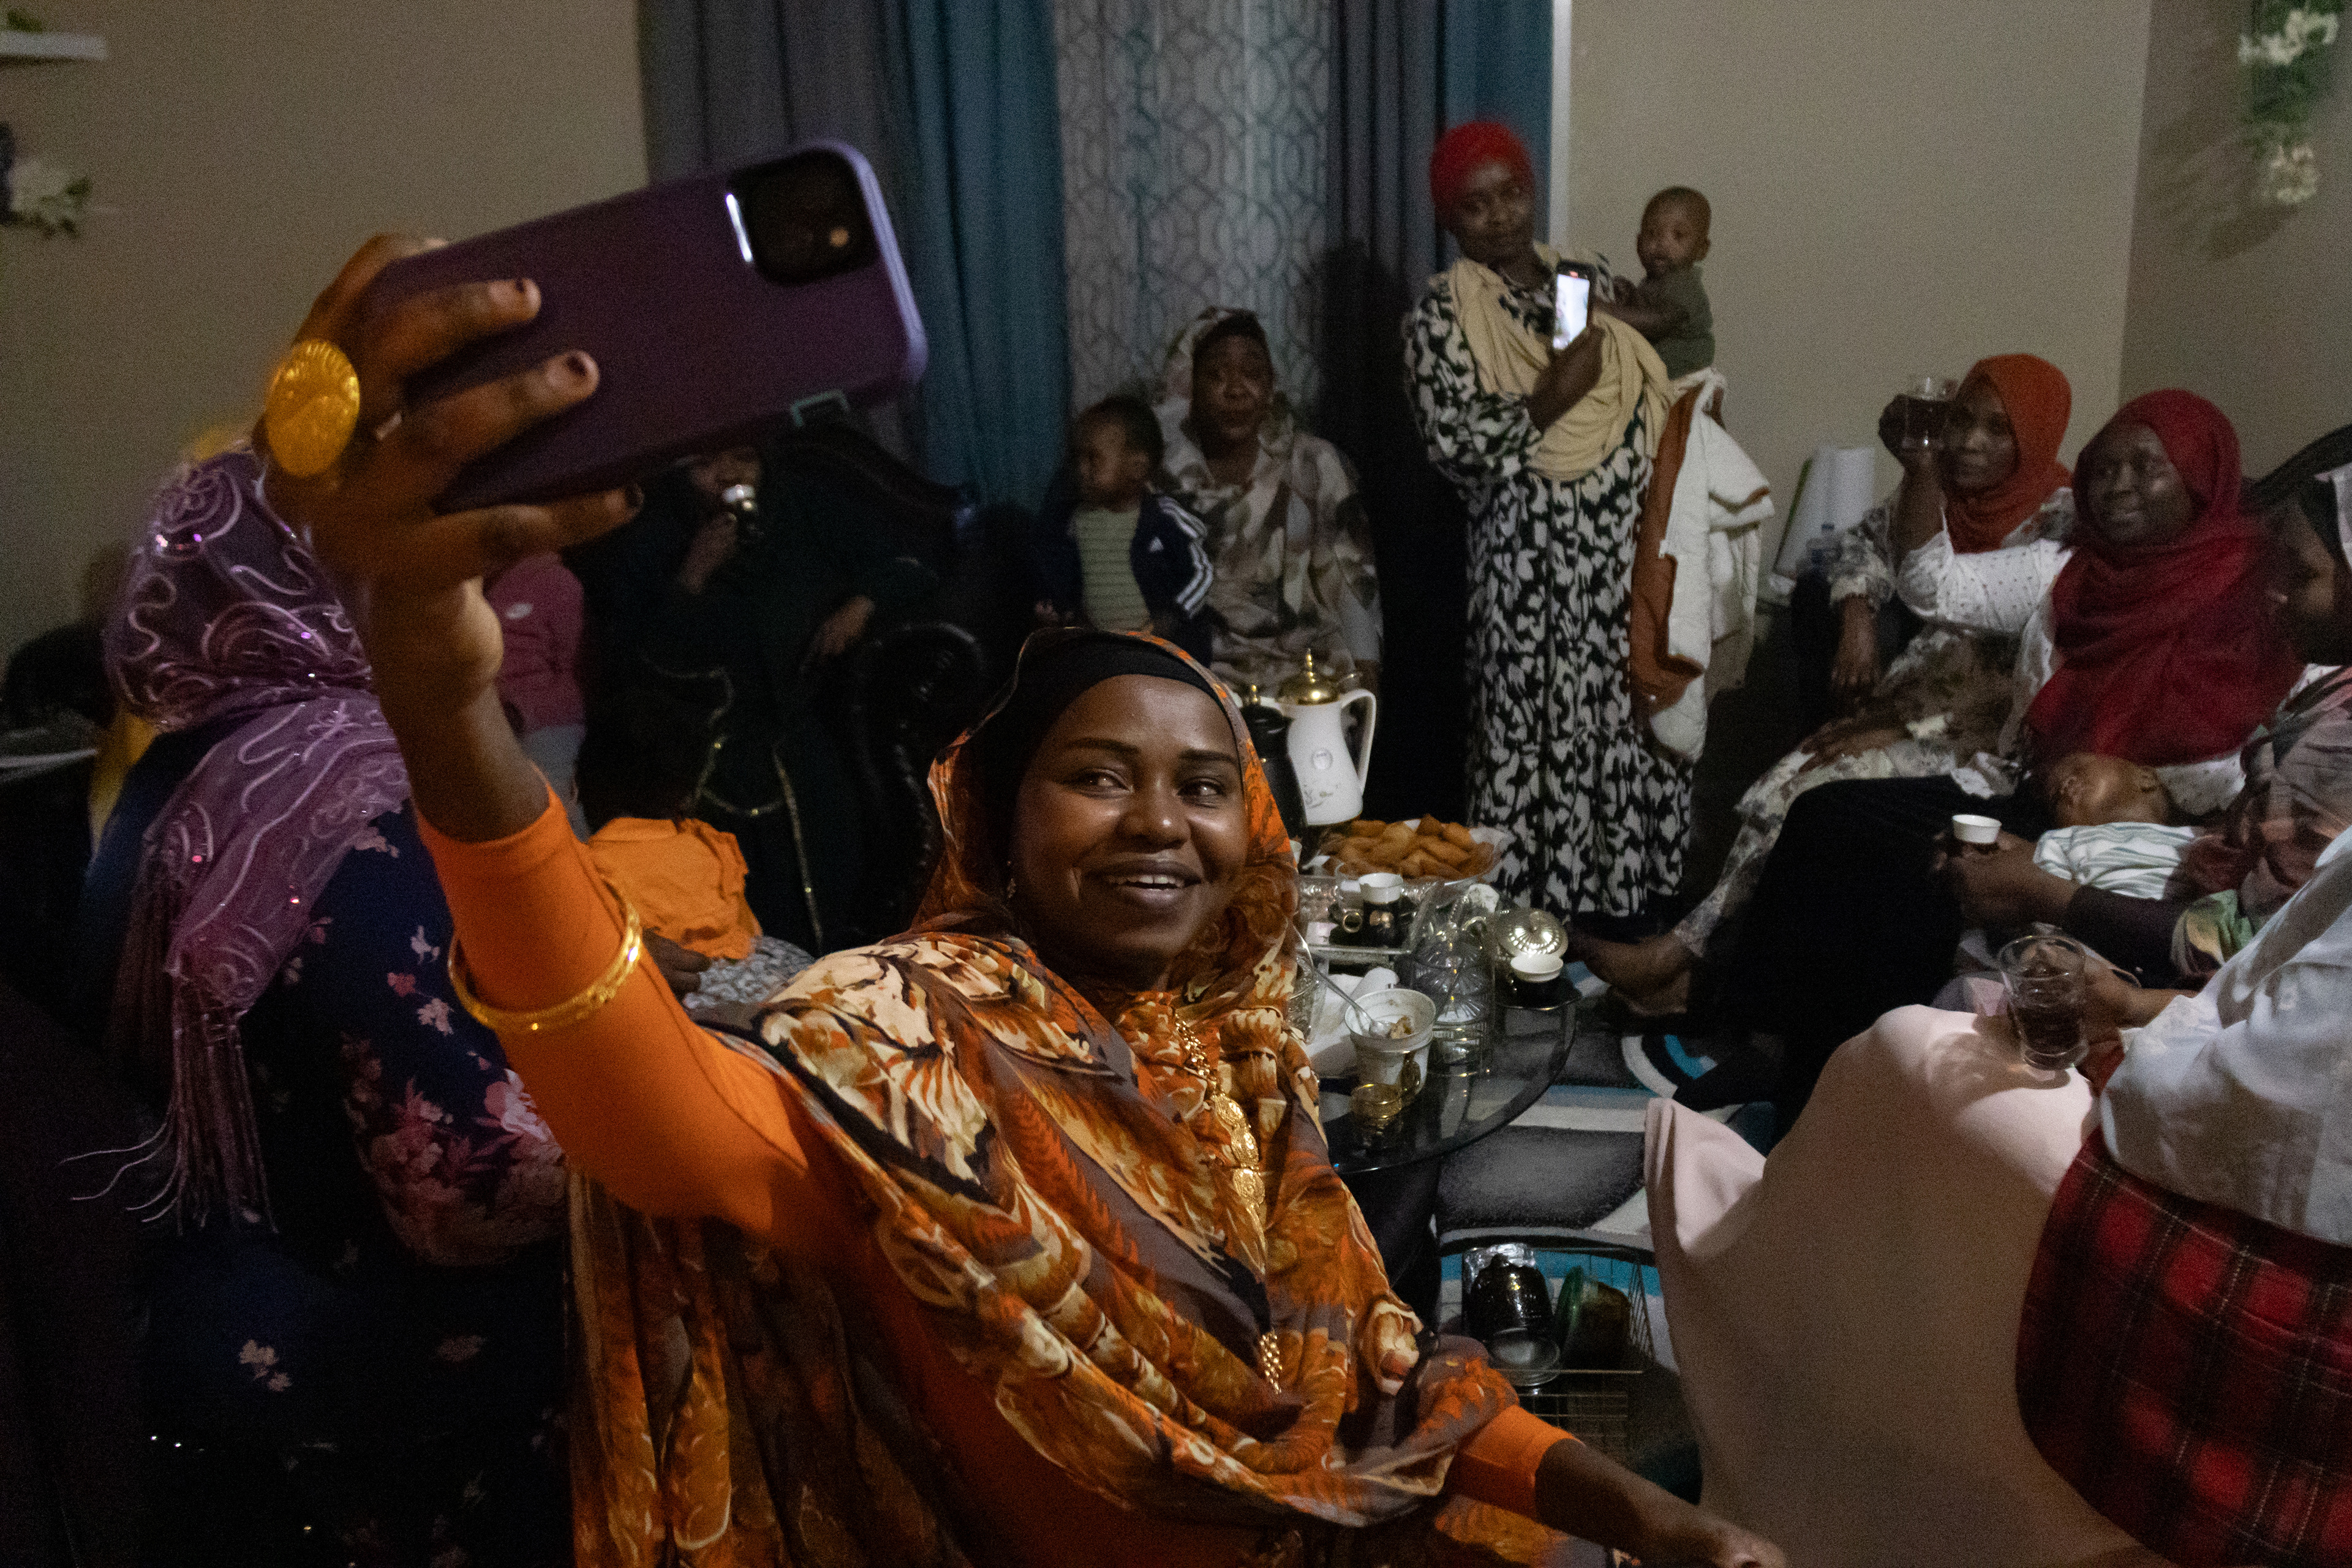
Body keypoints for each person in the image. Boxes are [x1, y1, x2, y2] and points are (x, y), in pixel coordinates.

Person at [257, 235, 1785, 1568]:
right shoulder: (903, 1046)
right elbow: (641, 1113)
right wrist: (450, 709)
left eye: (1201, 785)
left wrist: (1639, 1512)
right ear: (995, 814)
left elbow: (1388, 1382)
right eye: (1096, 775)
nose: (1157, 822)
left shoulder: (1250, 1079)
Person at [1644, 453, 2352, 1568]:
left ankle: (1784, 1281)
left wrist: (2121, 985)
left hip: (2195, 999)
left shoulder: (2320, 710)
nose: (2273, 594)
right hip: (2170, 922)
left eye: (2302, 576)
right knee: (1862, 855)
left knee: (1911, 1049)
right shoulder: (2196, 628)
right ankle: (1786, 1098)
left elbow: (2258, 988)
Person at [81, 448, 569, 1566]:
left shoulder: (179, 786)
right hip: (408, 1408)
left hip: (224, 1362)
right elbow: (466, 1180)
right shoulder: (352, 790)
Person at [1707, 391, 2305, 1122]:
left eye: (2145, 468)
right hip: (2034, 791)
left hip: (2144, 831)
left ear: (2201, 481)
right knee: (1828, 813)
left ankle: (1842, 1095)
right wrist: (1923, 467)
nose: (2116, 486)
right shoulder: (2070, 571)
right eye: (2104, 467)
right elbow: (1935, 585)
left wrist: (2128, 791)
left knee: (1918, 877)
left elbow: (2252, 767)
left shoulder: (2263, 600)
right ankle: (1776, 1041)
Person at [1576, 354, 2078, 1011]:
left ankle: (1681, 965)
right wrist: (1857, 616)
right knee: (1790, 774)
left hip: (1974, 737)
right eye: (1962, 421)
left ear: (2036, 437)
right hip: (1913, 700)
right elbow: (1854, 546)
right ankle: (1694, 973)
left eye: (1998, 429)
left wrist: (1891, 724)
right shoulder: (1937, 491)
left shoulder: (2058, 521)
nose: (1971, 442)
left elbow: (2016, 667)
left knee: (1812, 790)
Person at [1405, 121, 1684, 919]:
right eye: (1474, 205)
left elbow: (1654, 362)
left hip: (1620, 553)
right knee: (1528, 744)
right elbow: (1454, 445)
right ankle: (1526, 939)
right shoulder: (1442, 315)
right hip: (1527, 574)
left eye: (1512, 194)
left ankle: (1616, 931)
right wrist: (1549, 398)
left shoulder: (1584, 277)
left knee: (1624, 735)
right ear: (1450, 221)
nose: (1499, 216)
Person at [567, 444, 937, 952]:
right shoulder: (654, 538)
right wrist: (693, 576)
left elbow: (911, 559)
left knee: (834, 843)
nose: (726, 477)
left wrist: (863, 602)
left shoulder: (804, 508)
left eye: (741, 460)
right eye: (705, 465)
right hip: (706, 755)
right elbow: (637, 664)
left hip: (802, 729)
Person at [1156, 307, 1384, 692]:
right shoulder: (1158, 476)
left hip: (1304, 674)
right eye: (1216, 375)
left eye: (1251, 374)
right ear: (1190, 388)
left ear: (1270, 387)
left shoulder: (1311, 462)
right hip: (1194, 677)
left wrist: (1366, 678)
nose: (1236, 389)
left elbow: (1349, 579)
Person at [574, 677, 814, 1011]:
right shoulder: (707, 840)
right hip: (780, 973)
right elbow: (749, 932)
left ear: (578, 785)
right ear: (686, 798)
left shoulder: (587, 865)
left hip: (700, 998)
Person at [1029, 392, 1215, 664]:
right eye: (1077, 459)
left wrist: (1174, 614)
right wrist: (1057, 610)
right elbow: (1060, 570)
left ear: (1137, 468)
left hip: (1163, 650)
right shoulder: (1074, 520)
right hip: (1101, 653)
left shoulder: (1164, 517)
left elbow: (1202, 571)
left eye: (1093, 459)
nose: (1081, 469)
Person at [483, 551, 587, 834]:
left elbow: (574, 670)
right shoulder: (471, 585)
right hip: (487, 719)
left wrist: (522, 712)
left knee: (554, 816)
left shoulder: (558, 583)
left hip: (546, 726)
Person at [1603, 187, 1716, 385]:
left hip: (1683, 377)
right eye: (1652, 233)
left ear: (1701, 250)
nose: (1662, 243)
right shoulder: (1653, 281)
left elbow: (1659, 322)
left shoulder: (1685, 283)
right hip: (1657, 371)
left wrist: (1609, 311)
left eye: (1678, 235)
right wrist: (1632, 297)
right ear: (1638, 244)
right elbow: (1649, 315)